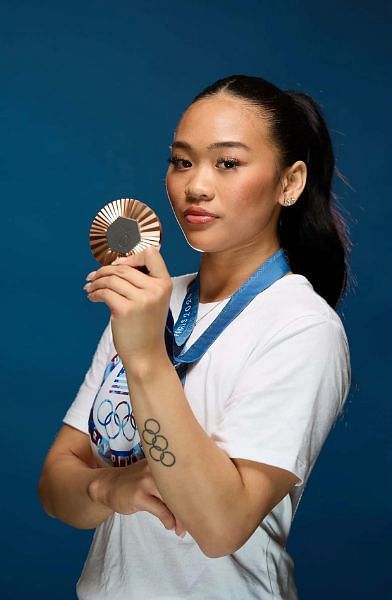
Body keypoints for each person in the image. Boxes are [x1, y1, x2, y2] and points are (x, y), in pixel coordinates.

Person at [38, 75, 351, 599]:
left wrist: (144, 358)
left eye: (227, 163)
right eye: (182, 161)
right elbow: (54, 484)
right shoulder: (151, 298)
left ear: (290, 183)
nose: (196, 186)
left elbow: (219, 526)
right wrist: (110, 486)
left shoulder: (302, 326)